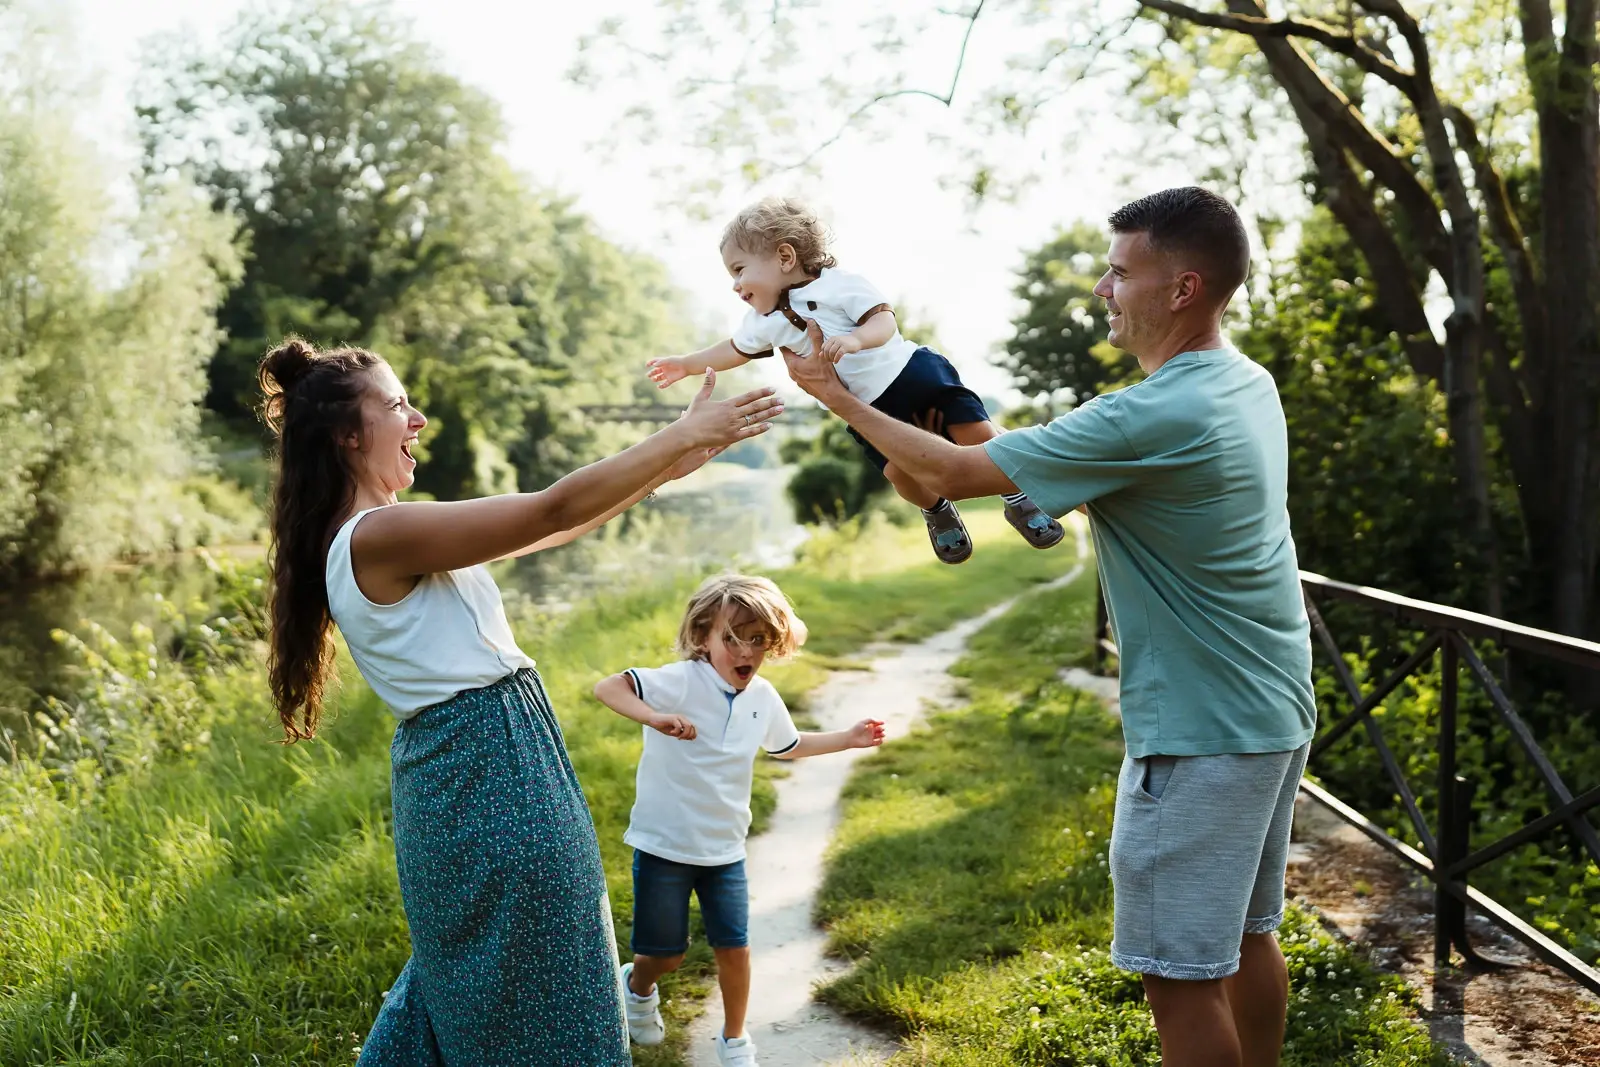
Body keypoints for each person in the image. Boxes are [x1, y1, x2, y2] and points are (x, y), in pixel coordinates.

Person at [780, 187, 1317, 1067]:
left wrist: (835, 394)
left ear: (1181, 288)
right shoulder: (1240, 380)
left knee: (1179, 976)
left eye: (1118, 271)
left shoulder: (1151, 412)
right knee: (1248, 935)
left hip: (1199, 730)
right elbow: (942, 477)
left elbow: (955, 466)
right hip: (1271, 709)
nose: (1103, 289)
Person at [255, 339, 782, 1065]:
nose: (420, 419)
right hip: (491, 777)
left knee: (472, 990)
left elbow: (557, 525)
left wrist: (667, 467)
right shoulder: (379, 533)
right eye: (398, 405)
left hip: (474, 774)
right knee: (542, 992)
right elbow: (550, 506)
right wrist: (679, 434)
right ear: (348, 434)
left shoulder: (384, 534)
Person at [643, 195, 1065, 564]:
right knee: (901, 475)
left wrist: (855, 340)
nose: (735, 285)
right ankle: (937, 510)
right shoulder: (764, 321)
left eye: (739, 270)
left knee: (977, 434)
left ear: (785, 258)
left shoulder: (840, 286)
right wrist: (687, 363)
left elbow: (883, 321)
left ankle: (1017, 496)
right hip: (868, 407)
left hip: (913, 374)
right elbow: (733, 349)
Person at [592, 573, 885, 1067]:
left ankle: (734, 1042)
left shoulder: (762, 698)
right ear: (704, 636)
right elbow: (609, 688)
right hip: (664, 846)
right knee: (667, 956)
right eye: (731, 638)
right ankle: (636, 986)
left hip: (725, 849)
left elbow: (789, 746)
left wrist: (847, 737)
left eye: (758, 641)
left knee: (736, 949)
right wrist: (655, 718)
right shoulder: (679, 681)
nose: (745, 651)